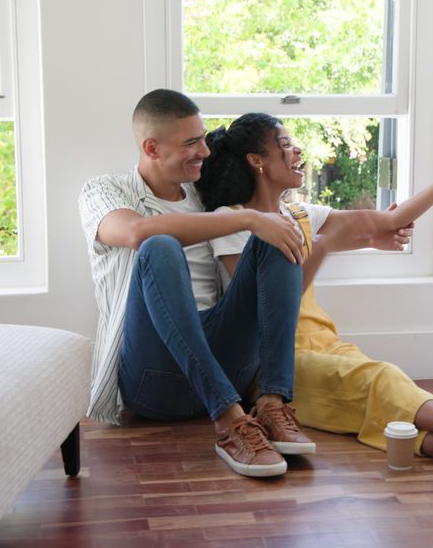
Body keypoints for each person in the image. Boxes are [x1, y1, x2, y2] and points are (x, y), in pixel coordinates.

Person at [194, 113, 433, 486]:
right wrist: (325, 247)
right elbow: (265, 310)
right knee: (380, 380)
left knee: (377, 402)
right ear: (256, 161)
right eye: (284, 145)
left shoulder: (299, 213)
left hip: (323, 340)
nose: (296, 151)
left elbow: (391, 220)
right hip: (271, 361)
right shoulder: (232, 221)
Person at [78, 91, 318, 478]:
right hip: (154, 379)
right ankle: (230, 422)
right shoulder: (103, 191)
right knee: (159, 246)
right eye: (191, 143)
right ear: (152, 148)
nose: (205, 152)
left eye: (204, 139)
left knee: (275, 230)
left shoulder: (205, 190)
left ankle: (273, 403)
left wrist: (363, 228)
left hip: (226, 365)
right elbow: (137, 232)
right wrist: (249, 219)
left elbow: (296, 215)